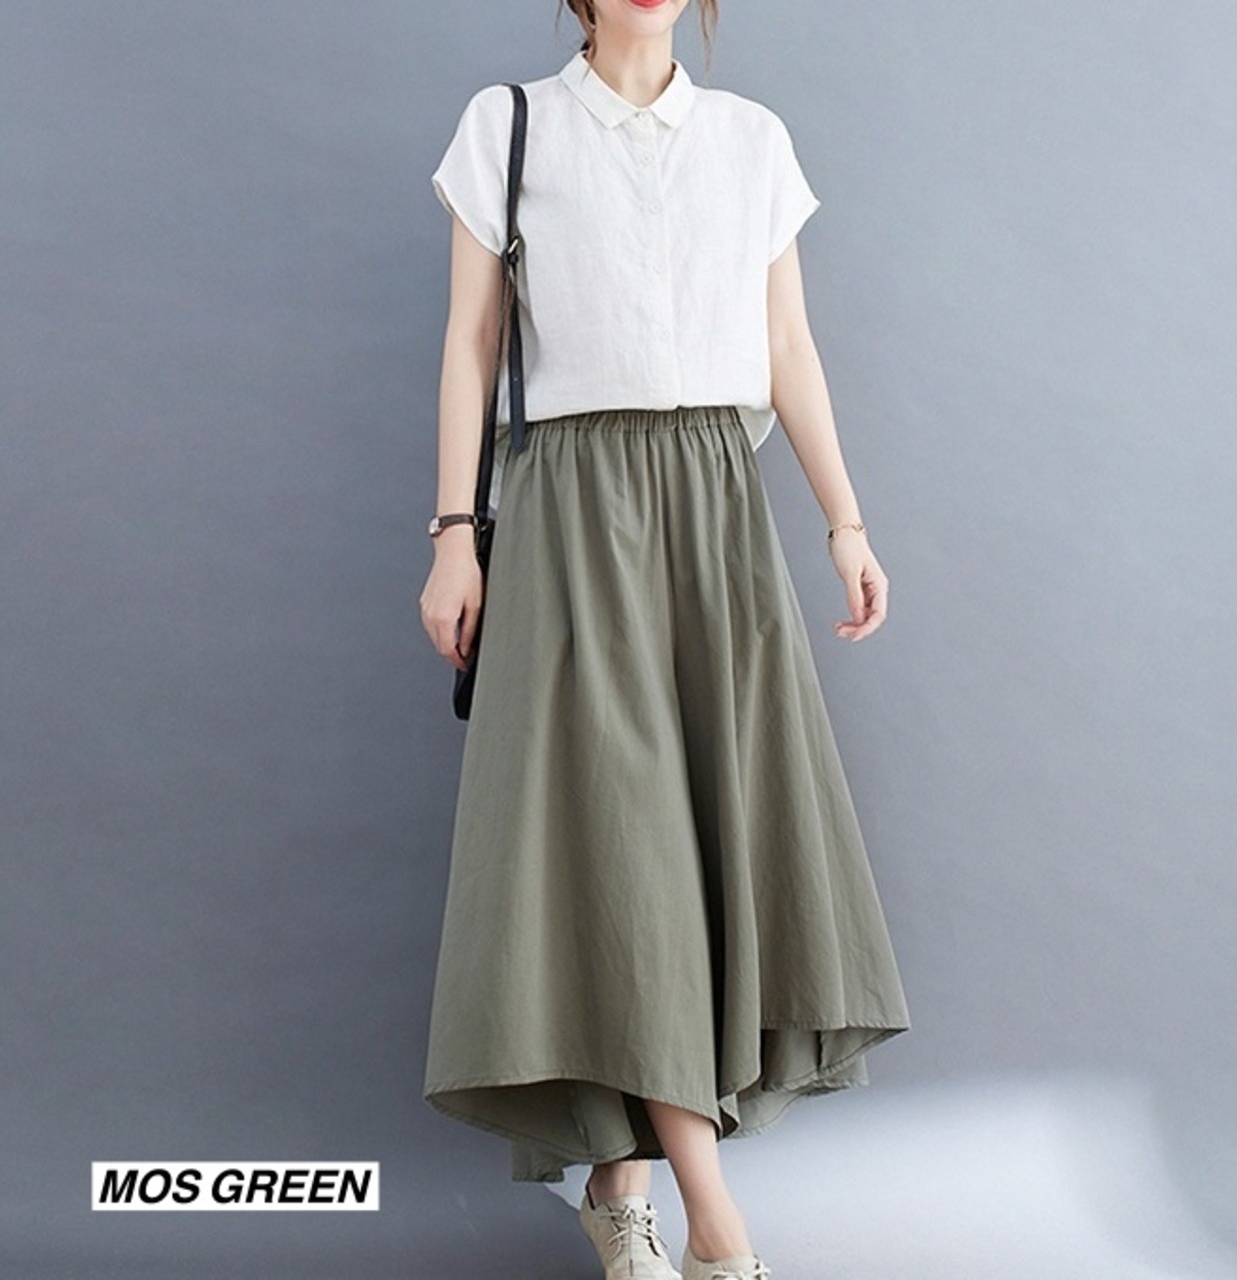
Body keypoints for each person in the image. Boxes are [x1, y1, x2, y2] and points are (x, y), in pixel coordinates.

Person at [417, 3, 911, 1277]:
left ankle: (618, 1187)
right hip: (571, 505)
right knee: (617, 842)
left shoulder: (749, 139)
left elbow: (785, 344)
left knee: (688, 840)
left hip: (713, 505)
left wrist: (844, 522)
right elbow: (472, 343)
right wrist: (455, 533)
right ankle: (715, 1221)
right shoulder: (506, 127)